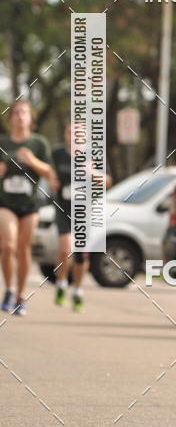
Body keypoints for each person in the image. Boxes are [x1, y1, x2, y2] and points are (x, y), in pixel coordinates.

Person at [0, 99, 58, 316]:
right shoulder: (3, 142)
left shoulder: (39, 143)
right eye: (15, 113)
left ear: (31, 118)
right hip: (5, 202)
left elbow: (50, 174)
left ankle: (20, 296)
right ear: (10, 118)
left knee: (24, 249)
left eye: (24, 112)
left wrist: (33, 161)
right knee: (7, 246)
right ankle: (9, 289)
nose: (19, 116)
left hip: (30, 204)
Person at [52, 122, 112, 311]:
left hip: (84, 211)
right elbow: (48, 173)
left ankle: (77, 291)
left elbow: (108, 181)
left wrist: (92, 173)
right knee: (65, 248)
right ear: (65, 134)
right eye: (71, 132)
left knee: (81, 255)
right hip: (63, 209)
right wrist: (51, 180)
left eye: (79, 134)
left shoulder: (94, 155)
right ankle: (61, 282)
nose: (74, 136)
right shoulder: (57, 154)